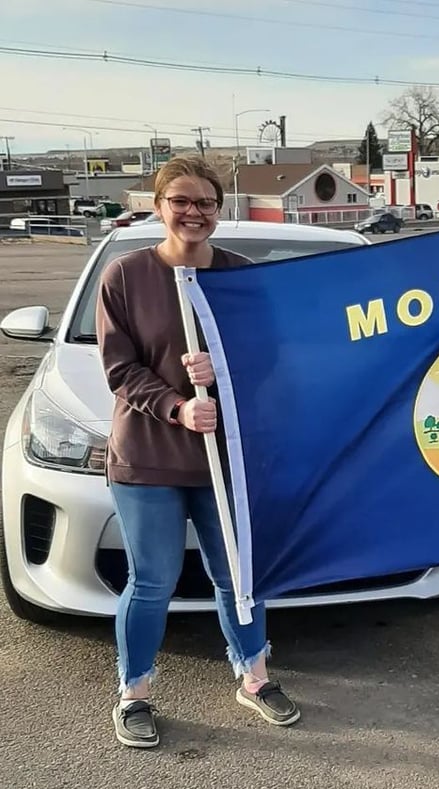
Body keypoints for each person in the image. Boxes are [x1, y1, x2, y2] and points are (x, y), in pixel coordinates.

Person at [97, 155, 300, 748]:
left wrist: (226, 369)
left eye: (206, 203)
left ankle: (255, 679)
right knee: (153, 580)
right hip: (149, 459)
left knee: (237, 574)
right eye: (180, 201)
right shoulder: (126, 276)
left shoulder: (239, 277)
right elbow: (119, 368)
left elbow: (266, 356)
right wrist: (178, 406)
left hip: (224, 461)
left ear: (219, 209)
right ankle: (134, 693)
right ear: (158, 207)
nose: (194, 212)